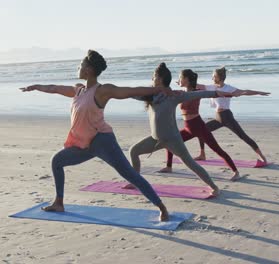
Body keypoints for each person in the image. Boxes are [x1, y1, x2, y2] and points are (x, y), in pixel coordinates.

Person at [19, 50, 170, 221]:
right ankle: (59, 202)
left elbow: (128, 91)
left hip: (102, 141)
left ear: (89, 70)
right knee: (57, 161)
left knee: (129, 174)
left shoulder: (102, 91)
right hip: (83, 144)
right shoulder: (78, 90)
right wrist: (36, 87)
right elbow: (54, 88)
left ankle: (161, 207)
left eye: (81, 65)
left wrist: (159, 89)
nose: (79, 67)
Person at [128, 63, 237, 195]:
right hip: (155, 139)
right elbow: (130, 92)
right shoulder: (149, 96)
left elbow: (198, 94)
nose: (152, 80)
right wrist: (110, 92)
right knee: (134, 151)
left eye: (153, 77)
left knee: (190, 163)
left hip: (173, 140)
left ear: (160, 79)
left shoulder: (173, 96)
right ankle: (136, 182)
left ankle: (214, 187)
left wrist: (216, 93)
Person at [158, 69, 241, 181]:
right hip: (188, 128)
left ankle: (236, 172)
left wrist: (233, 94)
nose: (178, 80)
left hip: (199, 127)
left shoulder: (196, 92)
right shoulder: (180, 93)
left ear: (186, 79)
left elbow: (216, 93)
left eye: (180, 78)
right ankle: (169, 167)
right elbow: (165, 93)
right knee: (170, 142)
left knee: (217, 149)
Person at [194, 67, 270, 164]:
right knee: (201, 131)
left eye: (213, 76)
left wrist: (258, 92)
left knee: (243, 136)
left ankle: (263, 157)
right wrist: (182, 82)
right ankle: (202, 154)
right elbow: (196, 86)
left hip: (227, 117)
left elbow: (244, 91)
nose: (212, 78)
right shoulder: (211, 87)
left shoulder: (228, 88)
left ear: (219, 77)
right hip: (218, 117)